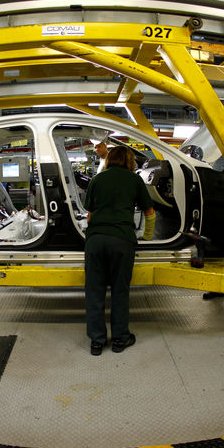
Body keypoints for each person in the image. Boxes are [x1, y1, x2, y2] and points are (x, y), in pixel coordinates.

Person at [83, 146, 156, 355]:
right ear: (130, 161)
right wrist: (147, 237)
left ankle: (97, 342)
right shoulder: (135, 180)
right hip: (122, 240)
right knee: (119, 291)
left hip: (96, 241)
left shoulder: (98, 179)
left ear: (110, 159)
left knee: (94, 291)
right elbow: (149, 213)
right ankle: (120, 339)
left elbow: (90, 215)